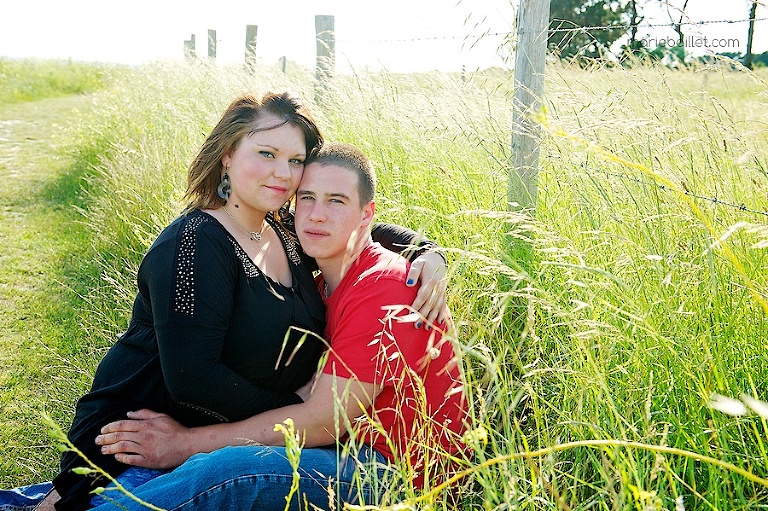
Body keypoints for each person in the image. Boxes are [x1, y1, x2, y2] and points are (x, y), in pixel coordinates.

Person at [9, 92, 448, 511]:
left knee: (218, 474)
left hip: (222, 436)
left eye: (295, 161)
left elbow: (346, 222)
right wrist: (300, 411)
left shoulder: (282, 231)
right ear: (227, 156)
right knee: (159, 484)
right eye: (265, 154)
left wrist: (427, 252)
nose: (282, 174)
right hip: (138, 427)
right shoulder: (193, 246)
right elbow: (193, 378)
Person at [86, 142, 468, 511]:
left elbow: (323, 421)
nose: (317, 214)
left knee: (231, 470)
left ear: (366, 214)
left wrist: (184, 442)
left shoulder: (385, 286)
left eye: (336, 201)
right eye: (307, 198)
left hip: (395, 474)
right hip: (340, 451)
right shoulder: (316, 284)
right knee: (200, 468)